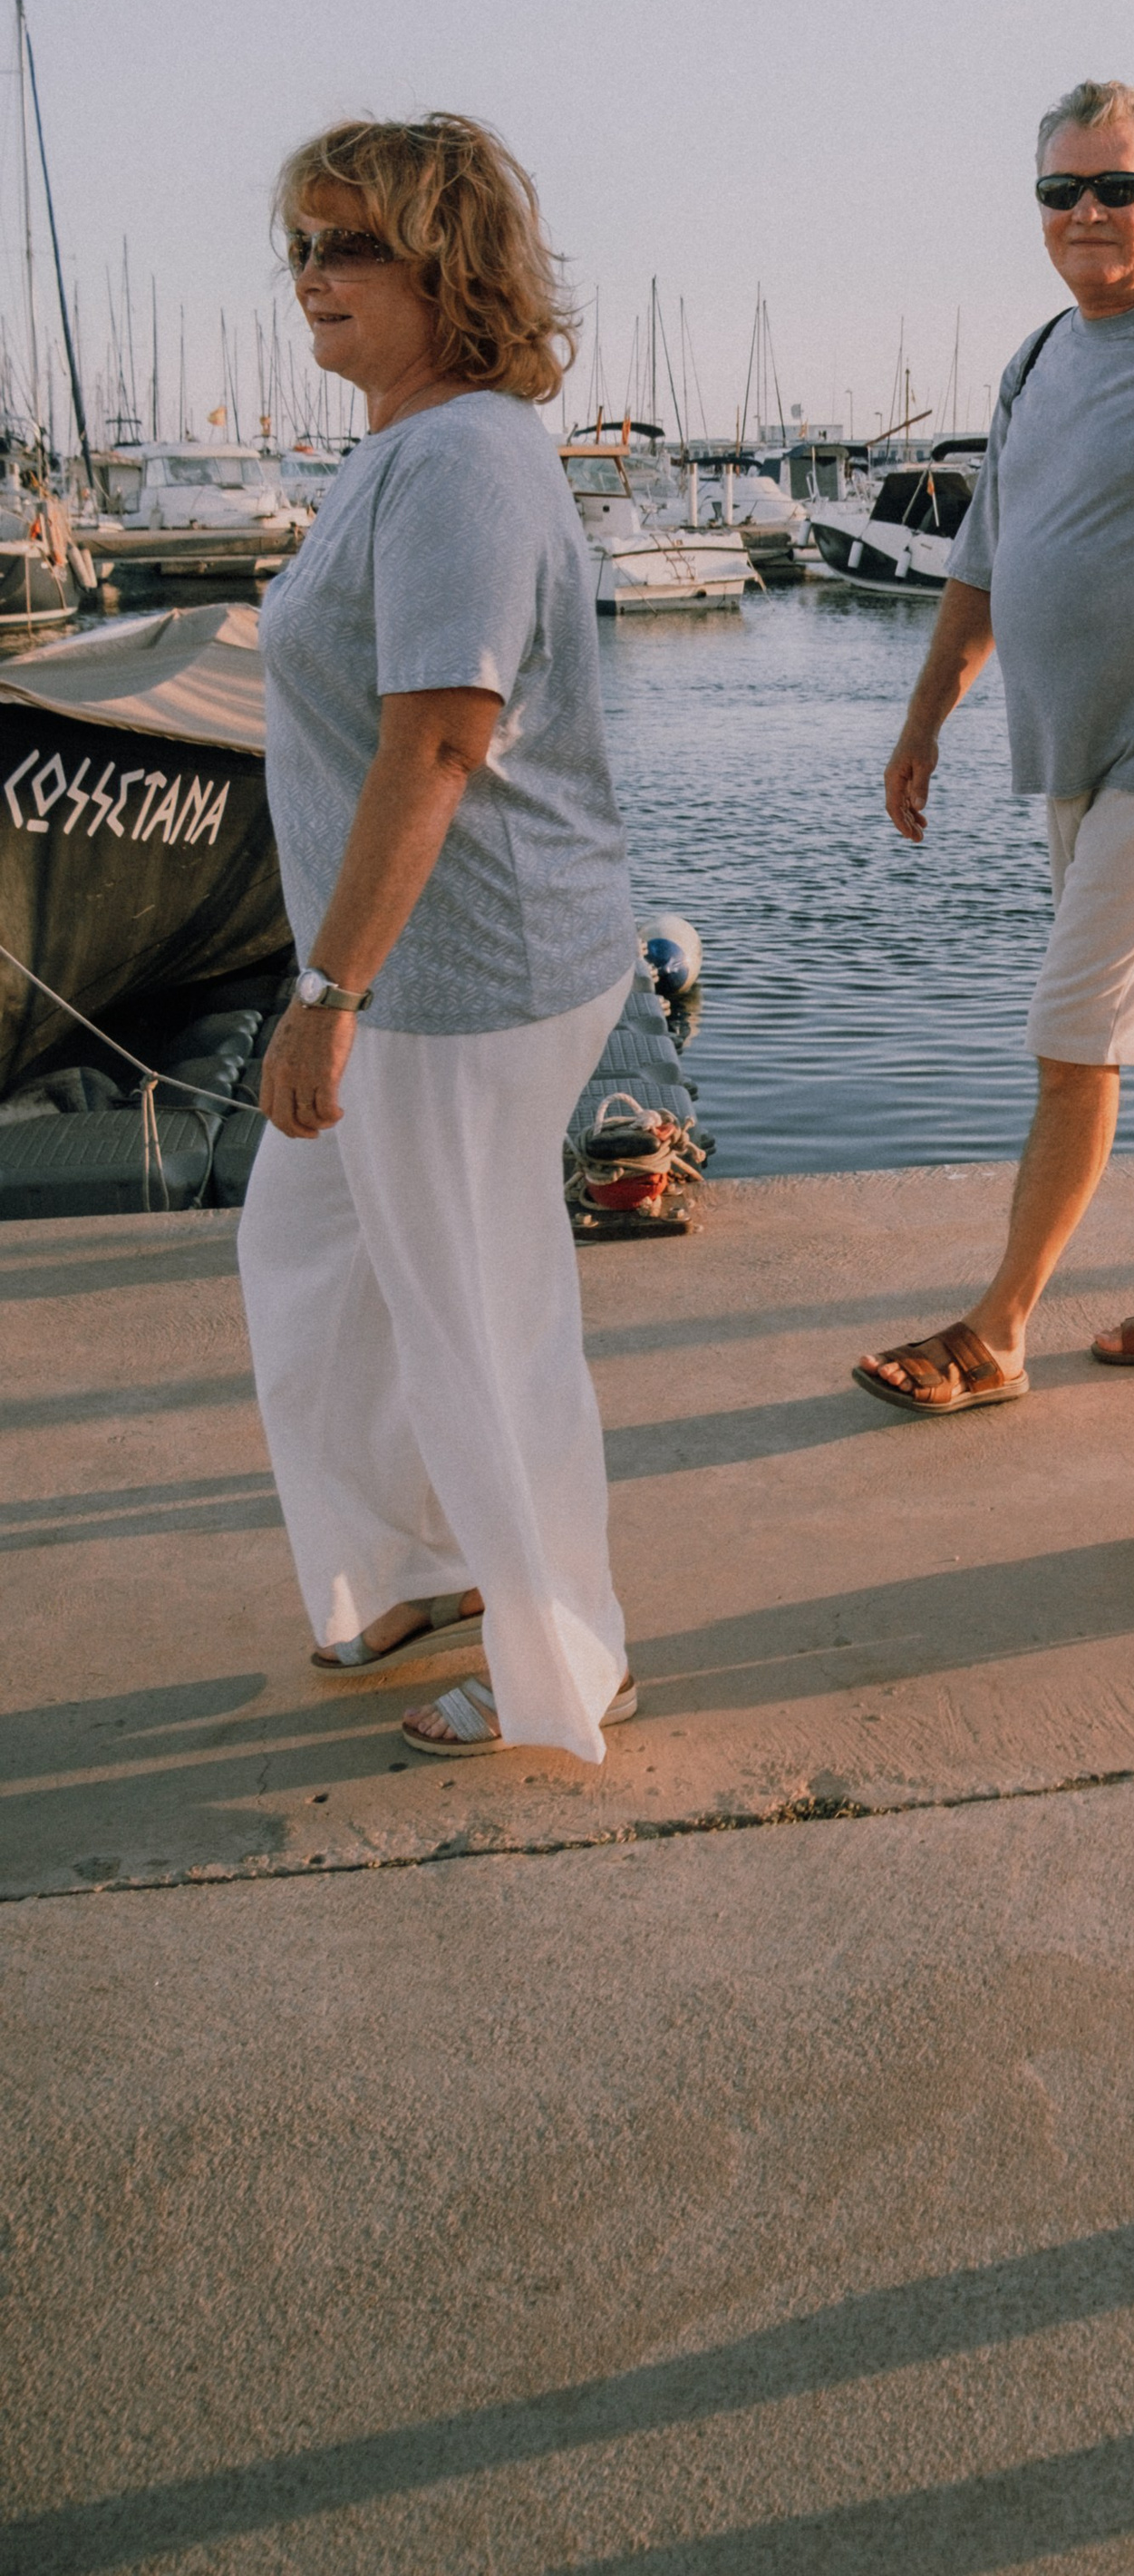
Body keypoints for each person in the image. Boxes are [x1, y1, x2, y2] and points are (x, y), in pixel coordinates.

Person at [242, 114, 643, 1765]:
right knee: (313, 1265)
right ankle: (408, 1561)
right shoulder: (408, 444)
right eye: (303, 249)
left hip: (460, 980)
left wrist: (328, 992)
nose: (315, 279)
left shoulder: (470, 454)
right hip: (422, 969)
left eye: (353, 247)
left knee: (479, 1319)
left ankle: (567, 1662)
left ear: (449, 269)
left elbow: (440, 739)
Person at [855, 80, 1134, 1414]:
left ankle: (997, 1332)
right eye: (1063, 189)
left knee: (1076, 1036)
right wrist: (925, 715)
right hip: (1070, 756)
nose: (1088, 213)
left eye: (1117, 187)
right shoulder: (1040, 358)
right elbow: (986, 561)